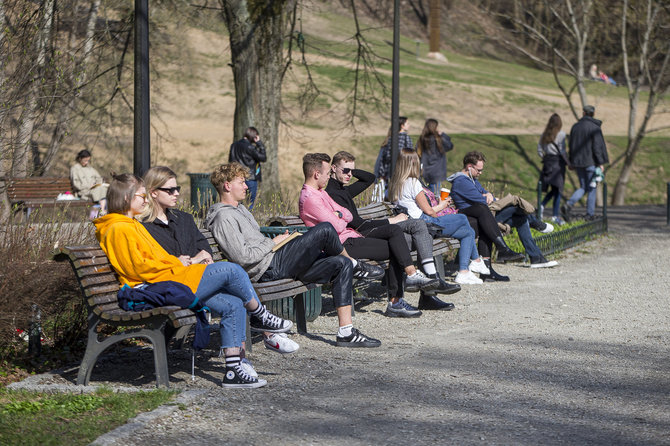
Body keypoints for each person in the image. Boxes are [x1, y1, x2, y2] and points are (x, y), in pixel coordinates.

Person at [95, 173, 292, 389]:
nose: (144, 200)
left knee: (234, 304)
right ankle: (260, 316)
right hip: (154, 286)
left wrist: (178, 261)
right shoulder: (118, 228)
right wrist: (179, 263)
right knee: (230, 269)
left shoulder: (129, 225)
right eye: (141, 196)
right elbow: (138, 268)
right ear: (126, 198)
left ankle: (234, 371)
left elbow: (153, 258)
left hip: (166, 280)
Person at [206, 162, 384, 348]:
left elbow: (255, 244)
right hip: (268, 268)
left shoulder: (240, 210)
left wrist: (281, 241)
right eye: (241, 182)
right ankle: (355, 263)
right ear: (227, 186)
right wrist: (272, 242)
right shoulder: (223, 218)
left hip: (277, 259)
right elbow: (242, 257)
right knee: (325, 229)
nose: (246, 186)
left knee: (340, 264)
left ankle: (346, 332)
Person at [141, 166, 299, 355]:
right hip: (174, 285)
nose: (176, 194)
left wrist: (201, 257)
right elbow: (160, 261)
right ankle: (263, 321)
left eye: (177, 189)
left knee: (234, 303)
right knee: (231, 270)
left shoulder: (183, 218)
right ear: (153, 193)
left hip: (198, 279)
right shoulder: (144, 227)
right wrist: (194, 259)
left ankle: (238, 364)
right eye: (170, 190)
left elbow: (203, 246)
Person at [300, 153, 439, 319]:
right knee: (396, 243)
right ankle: (399, 295)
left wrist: (339, 213)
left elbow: (347, 215)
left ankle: (407, 282)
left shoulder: (321, 193)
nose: (329, 176)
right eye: (328, 172)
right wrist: (340, 216)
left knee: (396, 237)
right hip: (342, 244)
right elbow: (339, 224)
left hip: (351, 237)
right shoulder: (313, 197)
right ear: (317, 174)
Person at [326, 150, 461, 311]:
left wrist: (348, 169)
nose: (349, 175)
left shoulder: (344, 190)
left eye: (351, 171)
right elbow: (358, 225)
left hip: (364, 230)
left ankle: (428, 284)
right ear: (333, 168)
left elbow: (369, 178)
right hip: (358, 235)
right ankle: (422, 287)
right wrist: (392, 220)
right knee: (406, 235)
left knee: (418, 227)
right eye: (345, 171)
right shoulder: (333, 194)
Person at [388, 148, 490, 285]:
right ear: (414, 164)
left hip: (412, 223)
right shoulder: (413, 183)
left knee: (468, 232)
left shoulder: (395, 183)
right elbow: (428, 211)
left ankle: (464, 271)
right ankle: (476, 261)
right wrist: (439, 214)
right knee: (462, 218)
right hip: (424, 224)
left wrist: (439, 209)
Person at [449, 151, 558, 272]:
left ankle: (537, 258)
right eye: (479, 170)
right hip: (478, 218)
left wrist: (489, 195)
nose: (480, 173)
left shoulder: (471, 179)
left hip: (485, 214)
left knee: (521, 219)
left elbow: (486, 194)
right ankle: (537, 225)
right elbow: (483, 200)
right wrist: (488, 196)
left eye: (481, 170)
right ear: (469, 167)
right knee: (515, 208)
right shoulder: (461, 181)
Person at [562, 105, 609, 221]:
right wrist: (600, 163)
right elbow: (597, 147)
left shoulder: (575, 127)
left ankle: (568, 204)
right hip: (590, 163)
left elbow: (571, 145)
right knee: (592, 188)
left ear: (583, 113)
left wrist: (571, 161)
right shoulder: (594, 128)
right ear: (593, 114)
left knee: (583, 187)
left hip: (578, 163)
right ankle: (589, 214)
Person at [537, 113, 569, 225]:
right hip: (558, 164)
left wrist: (544, 158)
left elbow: (539, 150)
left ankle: (542, 205)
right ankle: (555, 216)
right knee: (558, 190)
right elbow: (562, 151)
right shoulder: (561, 135)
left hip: (547, 164)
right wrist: (568, 162)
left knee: (554, 189)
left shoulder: (544, 134)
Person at [228, 127, 266, 209]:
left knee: (235, 201)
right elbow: (263, 158)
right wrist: (259, 143)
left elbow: (230, 161)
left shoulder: (233, 145)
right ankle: (247, 219)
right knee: (250, 203)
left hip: (236, 177)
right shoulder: (250, 147)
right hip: (250, 177)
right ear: (253, 136)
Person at [415, 118, 454, 196]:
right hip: (436, 171)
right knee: (435, 194)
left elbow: (417, 151)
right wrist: (443, 134)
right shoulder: (438, 139)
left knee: (429, 190)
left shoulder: (422, 139)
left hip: (425, 169)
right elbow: (450, 145)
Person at [374, 116, 413, 189]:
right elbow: (410, 155)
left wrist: (382, 173)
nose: (409, 125)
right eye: (407, 123)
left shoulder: (390, 138)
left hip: (389, 171)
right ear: (402, 125)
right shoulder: (405, 138)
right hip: (403, 169)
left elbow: (384, 158)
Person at [70, 149, 108, 215]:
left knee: (104, 189)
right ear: (80, 159)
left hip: (94, 189)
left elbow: (99, 178)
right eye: (85, 160)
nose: (87, 162)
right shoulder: (75, 169)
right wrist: (89, 186)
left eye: (88, 160)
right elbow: (76, 184)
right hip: (84, 192)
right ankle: (102, 212)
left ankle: (99, 213)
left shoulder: (90, 168)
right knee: (99, 191)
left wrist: (97, 183)